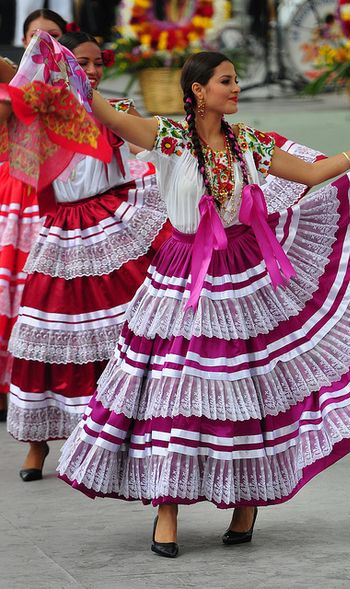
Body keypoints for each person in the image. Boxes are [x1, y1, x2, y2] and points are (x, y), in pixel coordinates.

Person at [7, 51, 350, 557]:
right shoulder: (168, 137)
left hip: (242, 274)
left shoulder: (246, 142)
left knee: (245, 387)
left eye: (237, 79)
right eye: (226, 80)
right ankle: (168, 508)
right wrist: (60, 67)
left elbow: (314, 176)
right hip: (183, 272)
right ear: (199, 90)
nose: (237, 87)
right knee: (173, 389)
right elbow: (104, 112)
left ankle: (245, 503)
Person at [1, 30, 169, 481]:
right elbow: (9, 78)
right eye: (82, 62)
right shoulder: (40, 107)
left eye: (98, 63)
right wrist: (41, 55)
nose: (92, 71)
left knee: (129, 328)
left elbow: (146, 147)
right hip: (61, 232)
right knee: (45, 332)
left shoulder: (114, 110)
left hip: (113, 221)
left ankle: (129, 432)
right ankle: (37, 444)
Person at [0, 9, 69, 422]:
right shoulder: (11, 85)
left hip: (54, 199)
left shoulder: (76, 87)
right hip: (13, 198)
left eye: (54, 37)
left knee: (41, 297)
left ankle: (41, 389)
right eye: (35, 37)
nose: (44, 44)